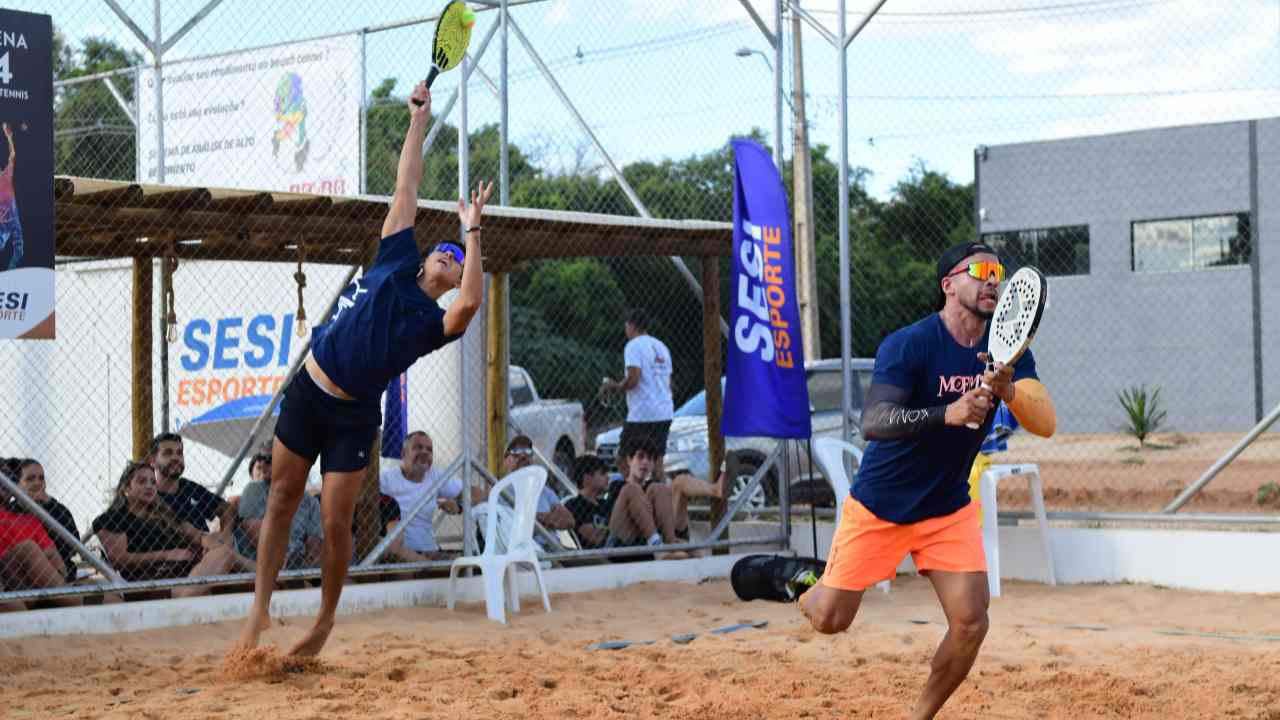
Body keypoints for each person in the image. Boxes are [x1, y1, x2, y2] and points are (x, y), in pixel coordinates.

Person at [236, 80, 493, 657]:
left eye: (458, 261)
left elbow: (472, 303)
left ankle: (324, 622)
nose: (450, 259)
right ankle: (259, 610)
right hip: (309, 388)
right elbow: (407, 183)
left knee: (334, 523)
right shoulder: (397, 254)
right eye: (445, 250)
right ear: (427, 254)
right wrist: (417, 122)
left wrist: (472, 230)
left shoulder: (432, 323)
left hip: (353, 415)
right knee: (280, 496)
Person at [798, 242, 1057, 720]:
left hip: (946, 508)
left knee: (971, 622)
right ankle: (800, 581)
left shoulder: (1009, 352)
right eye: (979, 271)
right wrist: (948, 413)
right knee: (830, 619)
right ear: (948, 285)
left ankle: (918, 716)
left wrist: (1010, 390)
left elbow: (1046, 422)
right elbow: (874, 420)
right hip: (881, 505)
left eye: (998, 272)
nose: (992, 280)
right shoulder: (910, 343)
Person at [92, 461, 249, 598]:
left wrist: (206, 543)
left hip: (187, 573)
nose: (149, 486)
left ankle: (267, 580)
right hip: (152, 583)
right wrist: (168, 555)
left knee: (224, 553)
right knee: (226, 556)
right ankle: (269, 578)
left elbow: (195, 534)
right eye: (141, 481)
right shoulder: (112, 518)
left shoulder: (165, 514)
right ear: (126, 487)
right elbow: (120, 560)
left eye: (153, 482)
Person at [602, 308, 674, 480]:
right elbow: (669, 382)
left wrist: (614, 386)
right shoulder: (661, 346)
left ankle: (636, 495)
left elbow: (633, 379)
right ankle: (659, 499)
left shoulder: (633, 346)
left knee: (623, 458)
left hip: (642, 414)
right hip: (664, 412)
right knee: (657, 461)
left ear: (631, 325)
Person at [378, 431, 470, 558]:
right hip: (402, 553)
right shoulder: (386, 479)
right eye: (418, 447)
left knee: (464, 565)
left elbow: (472, 492)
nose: (425, 452)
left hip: (430, 550)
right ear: (403, 454)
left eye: (429, 449)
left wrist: (459, 507)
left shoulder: (434, 475)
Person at [236, 452, 323, 570]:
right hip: (261, 559)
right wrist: (285, 556)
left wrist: (310, 558)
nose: (265, 466)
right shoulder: (254, 490)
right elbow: (253, 529)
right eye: (263, 463)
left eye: (269, 461)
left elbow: (315, 540)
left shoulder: (309, 501)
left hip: (298, 558)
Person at [146, 433, 235, 539]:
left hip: (208, 547)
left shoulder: (188, 486)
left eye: (179, 453)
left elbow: (226, 508)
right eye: (168, 453)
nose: (175, 457)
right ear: (153, 461)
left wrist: (225, 535)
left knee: (248, 523)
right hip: (180, 551)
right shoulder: (149, 494)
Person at [8, 458, 80, 583]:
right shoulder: (9, 511)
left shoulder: (58, 509)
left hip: (63, 574)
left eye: (41, 478)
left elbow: (73, 547)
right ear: (17, 484)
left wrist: (47, 505)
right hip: (26, 579)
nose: (37, 482)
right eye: (30, 479)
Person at [0, 122, 23, 270]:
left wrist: (9, 137)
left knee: (19, 252)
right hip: (2, 225)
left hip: (13, 222)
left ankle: (9, 278)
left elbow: (13, 155)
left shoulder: (6, 175)